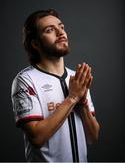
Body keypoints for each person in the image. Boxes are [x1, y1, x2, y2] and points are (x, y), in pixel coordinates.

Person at [11, 9, 100, 162]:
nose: (60, 33)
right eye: (50, 30)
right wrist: (72, 98)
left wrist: (83, 102)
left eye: (61, 27)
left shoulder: (77, 79)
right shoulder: (26, 80)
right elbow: (37, 138)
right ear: (35, 44)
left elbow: (93, 137)